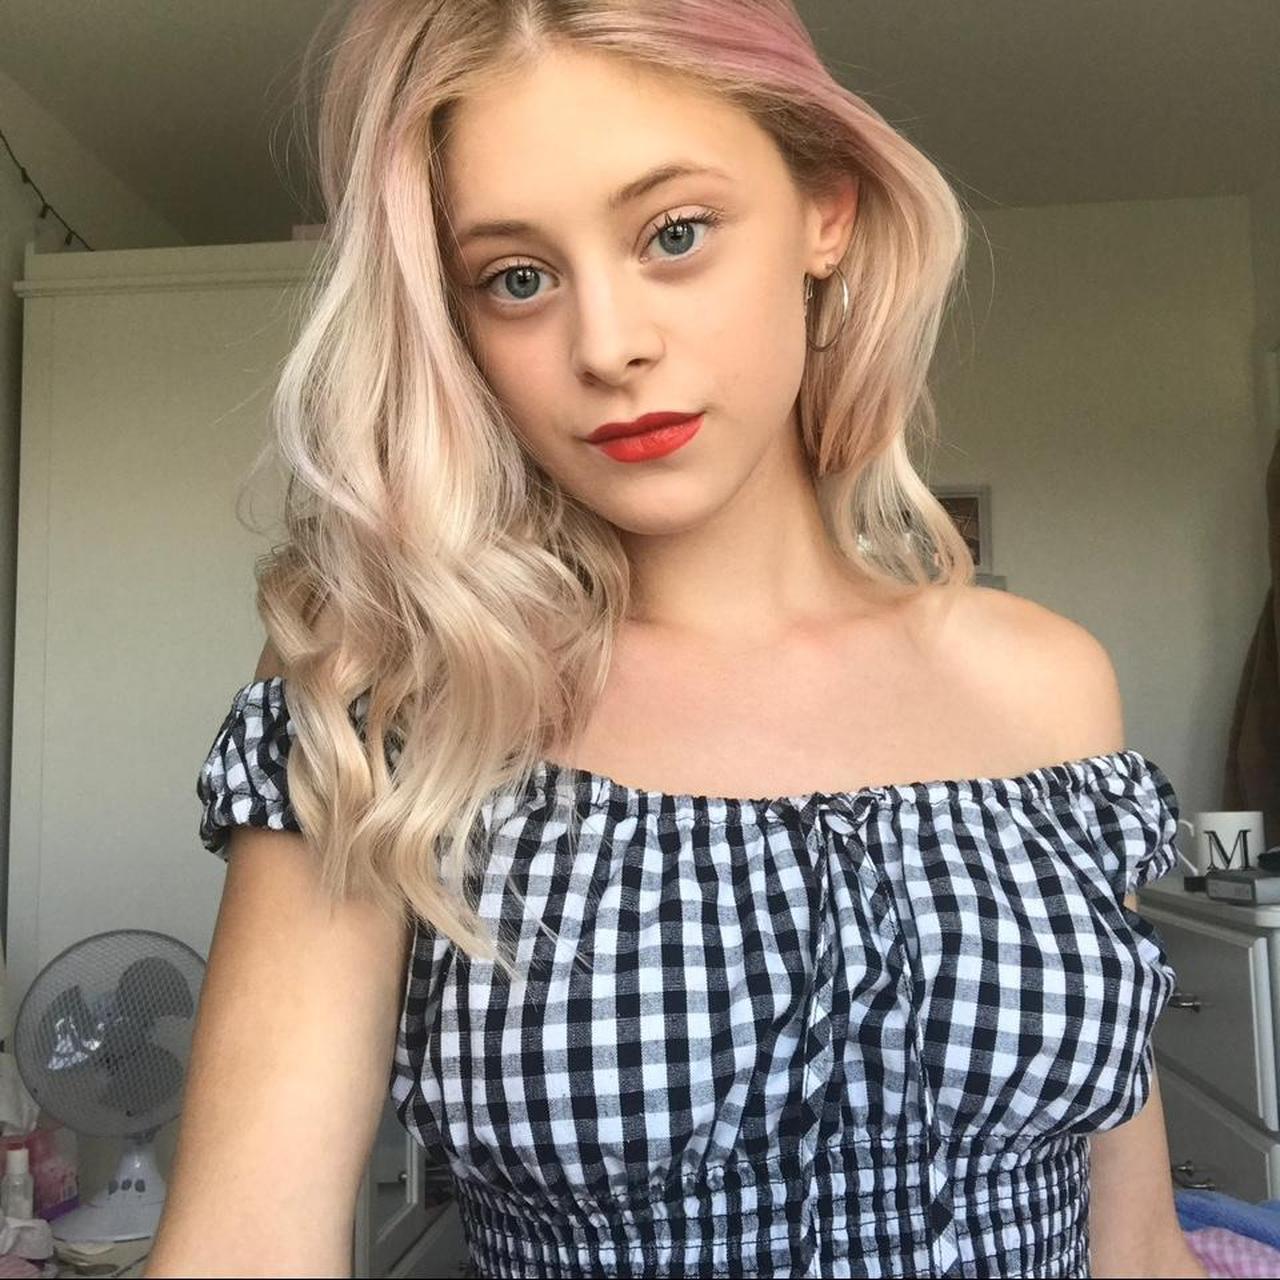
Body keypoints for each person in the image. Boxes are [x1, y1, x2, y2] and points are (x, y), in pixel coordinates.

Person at [145, 1, 1206, 1276]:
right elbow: (245, 1243)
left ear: (824, 213)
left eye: (673, 233)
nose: (608, 346)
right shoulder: (393, 688)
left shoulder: (1043, 683)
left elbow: (1135, 1241)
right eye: (517, 278)